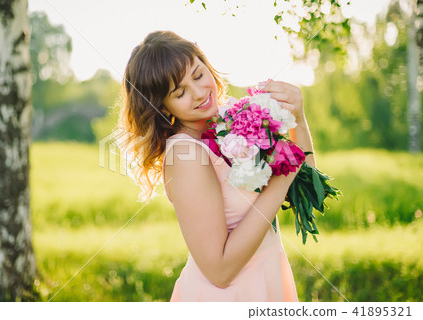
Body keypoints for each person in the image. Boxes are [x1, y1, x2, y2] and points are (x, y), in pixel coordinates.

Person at [119, 30, 316, 302]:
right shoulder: (185, 154)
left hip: (267, 281)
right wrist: (283, 175)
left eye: (199, 75)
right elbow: (219, 271)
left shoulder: (230, 126)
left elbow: (307, 189)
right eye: (180, 92)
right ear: (163, 107)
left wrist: (298, 118)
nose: (200, 93)